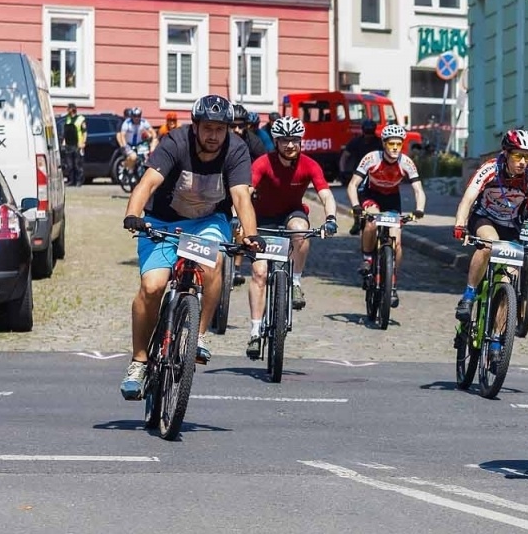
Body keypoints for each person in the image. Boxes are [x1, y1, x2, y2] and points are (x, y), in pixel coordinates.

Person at [118, 94, 260, 400]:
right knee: (152, 286)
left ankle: (199, 335)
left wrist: (250, 234)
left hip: (206, 222)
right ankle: (139, 362)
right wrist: (133, 214)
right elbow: (148, 183)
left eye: (219, 129)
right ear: (194, 126)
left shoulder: (236, 150)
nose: (213, 135)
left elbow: (240, 197)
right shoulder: (175, 143)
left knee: (212, 263)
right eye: (207, 128)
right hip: (162, 222)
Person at [244, 116, 339, 356]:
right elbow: (247, 192)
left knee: (301, 230)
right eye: (284, 140)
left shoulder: (309, 164)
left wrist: (330, 219)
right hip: (262, 219)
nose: (290, 145)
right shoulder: (263, 163)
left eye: (295, 140)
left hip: (290, 214)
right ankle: (255, 332)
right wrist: (238, 216)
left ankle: (295, 281)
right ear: (275, 142)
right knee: (259, 273)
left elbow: (326, 194)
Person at [452, 127, 528, 319]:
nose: (522, 162)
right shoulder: (490, 168)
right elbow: (469, 197)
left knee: (509, 280)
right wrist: (460, 224)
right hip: (485, 218)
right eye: (517, 155)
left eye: (527, 157)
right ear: (506, 153)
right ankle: (469, 295)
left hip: (512, 225)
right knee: (489, 244)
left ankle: (497, 339)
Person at [347, 123, 426, 309]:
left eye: (399, 144)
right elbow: (352, 185)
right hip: (371, 195)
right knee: (372, 222)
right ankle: (367, 259)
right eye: (391, 144)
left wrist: (419, 209)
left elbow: (418, 189)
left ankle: (392, 280)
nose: (395, 148)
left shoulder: (406, 162)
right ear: (384, 144)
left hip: (392, 199)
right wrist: (356, 206)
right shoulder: (371, 158)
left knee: (396, 240)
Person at [60, 102, 86, 186]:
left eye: (68, 108)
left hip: (77, 144)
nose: (67, 110)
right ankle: (71, 180)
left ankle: (79, 181)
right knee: (69, 164)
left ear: (72, 109)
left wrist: (83, 142)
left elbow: (84, 132)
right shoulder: (68, 119)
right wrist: (64, 142)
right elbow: (66, 132)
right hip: (69, 144)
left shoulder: (81, 119)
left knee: (77, 164)